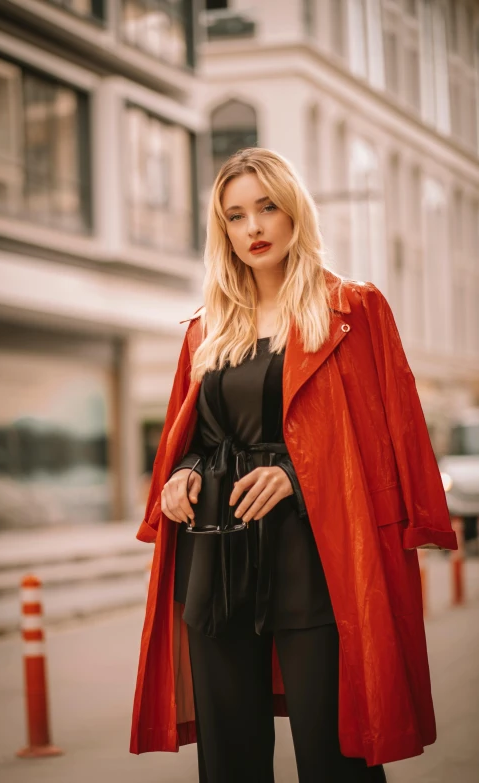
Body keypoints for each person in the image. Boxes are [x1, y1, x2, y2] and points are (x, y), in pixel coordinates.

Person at [130, 148, 457, 783]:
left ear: (293, 212)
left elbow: (388, 437)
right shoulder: (206, 329)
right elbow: (192, 434)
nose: (252, 227)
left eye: (266, 207)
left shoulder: (352, 311)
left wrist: (297, 476)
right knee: (230, 760)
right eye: (234, 216)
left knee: (335, 753)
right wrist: (181, 474)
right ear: (221, 230)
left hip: (315, 558)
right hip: (216, 554)